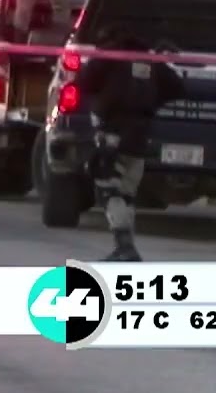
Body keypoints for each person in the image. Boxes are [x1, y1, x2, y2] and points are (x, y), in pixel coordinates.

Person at [76, 25, 185, 261]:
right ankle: (126, 250)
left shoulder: (109, 56)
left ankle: (124, 247)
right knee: (126, 193)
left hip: (113, 132)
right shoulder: (151, 61)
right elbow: (178, 87)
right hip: (140, 135)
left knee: (109, 189)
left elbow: (82, 81)